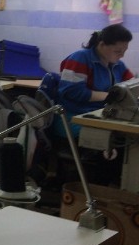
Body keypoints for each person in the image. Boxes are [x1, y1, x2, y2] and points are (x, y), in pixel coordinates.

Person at [57, 24, 133, 186]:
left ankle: (119, 187)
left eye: (124, 51)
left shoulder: (117, 65)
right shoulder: (80, 58)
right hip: (73, 118)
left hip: (101, 117)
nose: (122, 55)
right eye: (118, 51)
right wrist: (110, 97)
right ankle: (101, 189)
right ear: (102, 45)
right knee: (115, 145)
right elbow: (71, 91)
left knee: (129, 140)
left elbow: (132, 86)